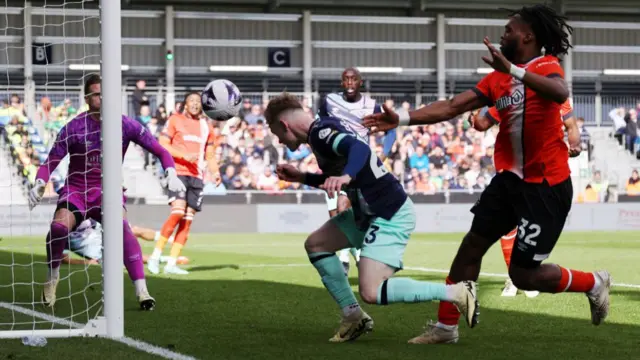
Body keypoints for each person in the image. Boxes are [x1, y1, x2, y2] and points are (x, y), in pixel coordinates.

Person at [363, 4, 610, 344]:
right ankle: (446, 328)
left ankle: (594, 283)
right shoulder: (497, 80)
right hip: (509, 181)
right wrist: (403, 120)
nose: (503, 34)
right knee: (471, 247)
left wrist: (513, 69)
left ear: (528, 36)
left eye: (509, 29)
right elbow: (452, 106)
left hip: (546, 185)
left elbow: (560, 93)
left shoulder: (546, 66)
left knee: (523, 275)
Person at [264, 93, 478, 343]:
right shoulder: (320, 133)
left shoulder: (321, 133)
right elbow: (345, 172)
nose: (278, 141)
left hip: (389, 211)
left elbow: (359, 149)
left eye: (276, 133)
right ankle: (353, 317)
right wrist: (303, 177)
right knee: (317, 244)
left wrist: (345, 177)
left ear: (284, 125)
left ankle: (457, 291)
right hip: (367, 213)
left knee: (371, 290)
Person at [28, 74, 186, 311]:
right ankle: (52, 277)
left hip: (108, 191)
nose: (102, 97)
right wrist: (40, 181)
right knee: (58, 228)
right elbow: (51, 160)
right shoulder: (73, 127)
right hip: (77, 190)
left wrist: (171, 171)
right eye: (96, 93)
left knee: (123, 231)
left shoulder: (125, 124)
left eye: (105, 93)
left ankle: (142, 291)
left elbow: (160, 151)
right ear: (87, 98)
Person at [473, 98, 581, 297]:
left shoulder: (558, 97)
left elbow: (571, 125)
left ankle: (525, 277)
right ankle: (513, 280)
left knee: (530, 228)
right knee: (504, 228)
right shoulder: (515, 92)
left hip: (541, 173)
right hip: (511, 168)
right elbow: (481, 121)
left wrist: (575, 143)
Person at [319, 67, 398, 275]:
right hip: (337, 165)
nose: (350, 82)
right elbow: (319, 126)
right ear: (342, 83)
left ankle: (359, 257)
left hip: (361, 164)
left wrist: (384, 154)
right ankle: (350, 257)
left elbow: (391, 131)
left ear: (360, 82)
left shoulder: (372, 105)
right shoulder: (329, 101)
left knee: (357, 213)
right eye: (346, 79)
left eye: (354, 79)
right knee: (339, 210)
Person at [147, 92, 221, 275]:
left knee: (187, 222)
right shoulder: (175, 120)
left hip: (197, 177)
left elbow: (209, 154)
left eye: (198, 101)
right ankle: (155, 257)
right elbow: (162, 143)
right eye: (192, 101)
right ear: (185, 105)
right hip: (178, 173)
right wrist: (183, 155)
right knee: (177, 214)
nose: (195, 104)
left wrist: (215, 171)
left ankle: (171, 263)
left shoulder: (206, 126)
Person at [61, 219, 189, 266]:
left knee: (133, 230)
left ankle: (171, 240)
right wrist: (87, 262)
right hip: (98, 252)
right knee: (129, 256)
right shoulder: (61, 229)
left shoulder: (87, 214)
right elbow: (65, 259)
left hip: (103, 235)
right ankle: (167, 259)